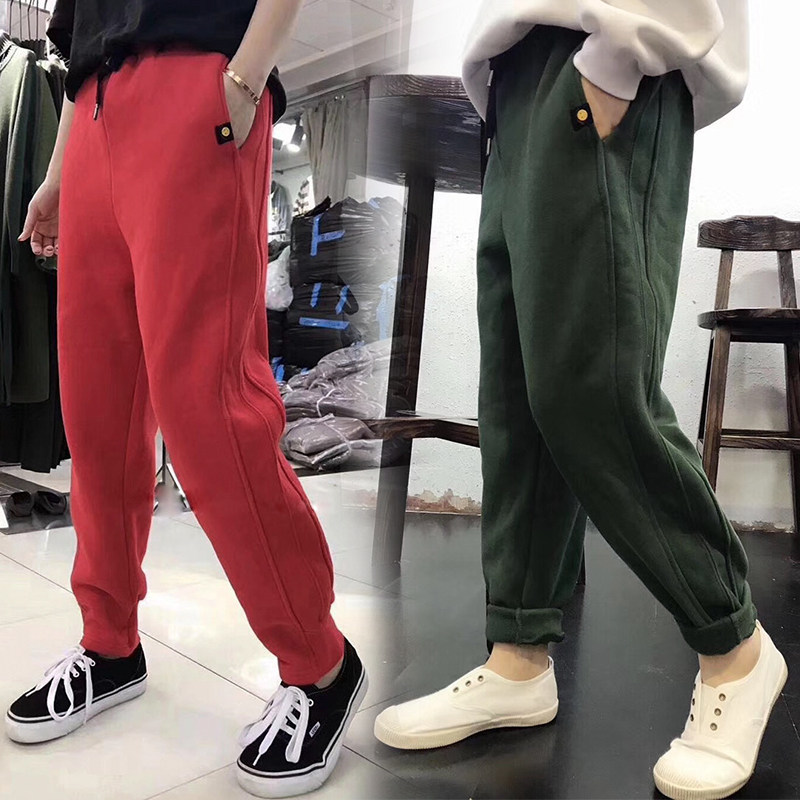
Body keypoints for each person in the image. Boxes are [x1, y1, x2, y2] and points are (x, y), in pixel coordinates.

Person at [374, 3, 788, 799]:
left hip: (602, 55)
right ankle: (518, 657)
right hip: (518, 83)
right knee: (517, 397)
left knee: (592, 388)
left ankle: (735, 647)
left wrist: (619, 57)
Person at [4, 1, 368, 796]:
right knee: (96, 410)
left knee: (207, 405)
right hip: (91, 114)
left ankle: (321, 663)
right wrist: (61, 173)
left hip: (197, 82)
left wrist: (246, 77)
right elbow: (82, 36)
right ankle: (109, 642)